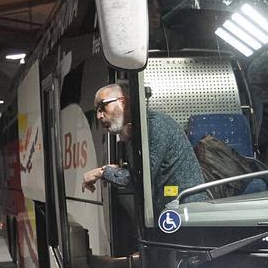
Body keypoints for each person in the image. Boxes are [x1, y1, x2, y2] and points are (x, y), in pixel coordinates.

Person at [81, 80, 204, 211]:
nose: (99, 116)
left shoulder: (155, 125)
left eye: (103, 107)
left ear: (123, 102)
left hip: (187, 210)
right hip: (171, 209)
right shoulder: (134, 131)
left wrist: (102, 172)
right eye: (97, 110)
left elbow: (141, 178)